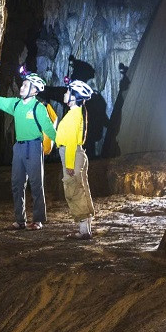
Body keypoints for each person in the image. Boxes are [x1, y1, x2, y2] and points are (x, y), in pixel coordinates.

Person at [0, 67, 57, 230]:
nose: (22, 87)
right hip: (19, 148)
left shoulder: (38, 108)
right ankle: (20, 220)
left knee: (36, 184)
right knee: (17, 184)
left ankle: (37, 220)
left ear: (34, 91)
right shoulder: (15, 104)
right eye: (23, 84)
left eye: (26, 85)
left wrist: (64, 144)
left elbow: (50, 130)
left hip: (34, 147)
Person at [55, 79, 96, 239]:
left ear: (75, 96)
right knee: (81, 188)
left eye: (68, 91)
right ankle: (86, 229)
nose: (65, 94)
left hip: (71, 154)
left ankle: (84, 231)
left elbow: (71, 140)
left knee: (73, 190)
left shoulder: (73, 115)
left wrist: (70, 164)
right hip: (78, 154)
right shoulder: (76, 113)